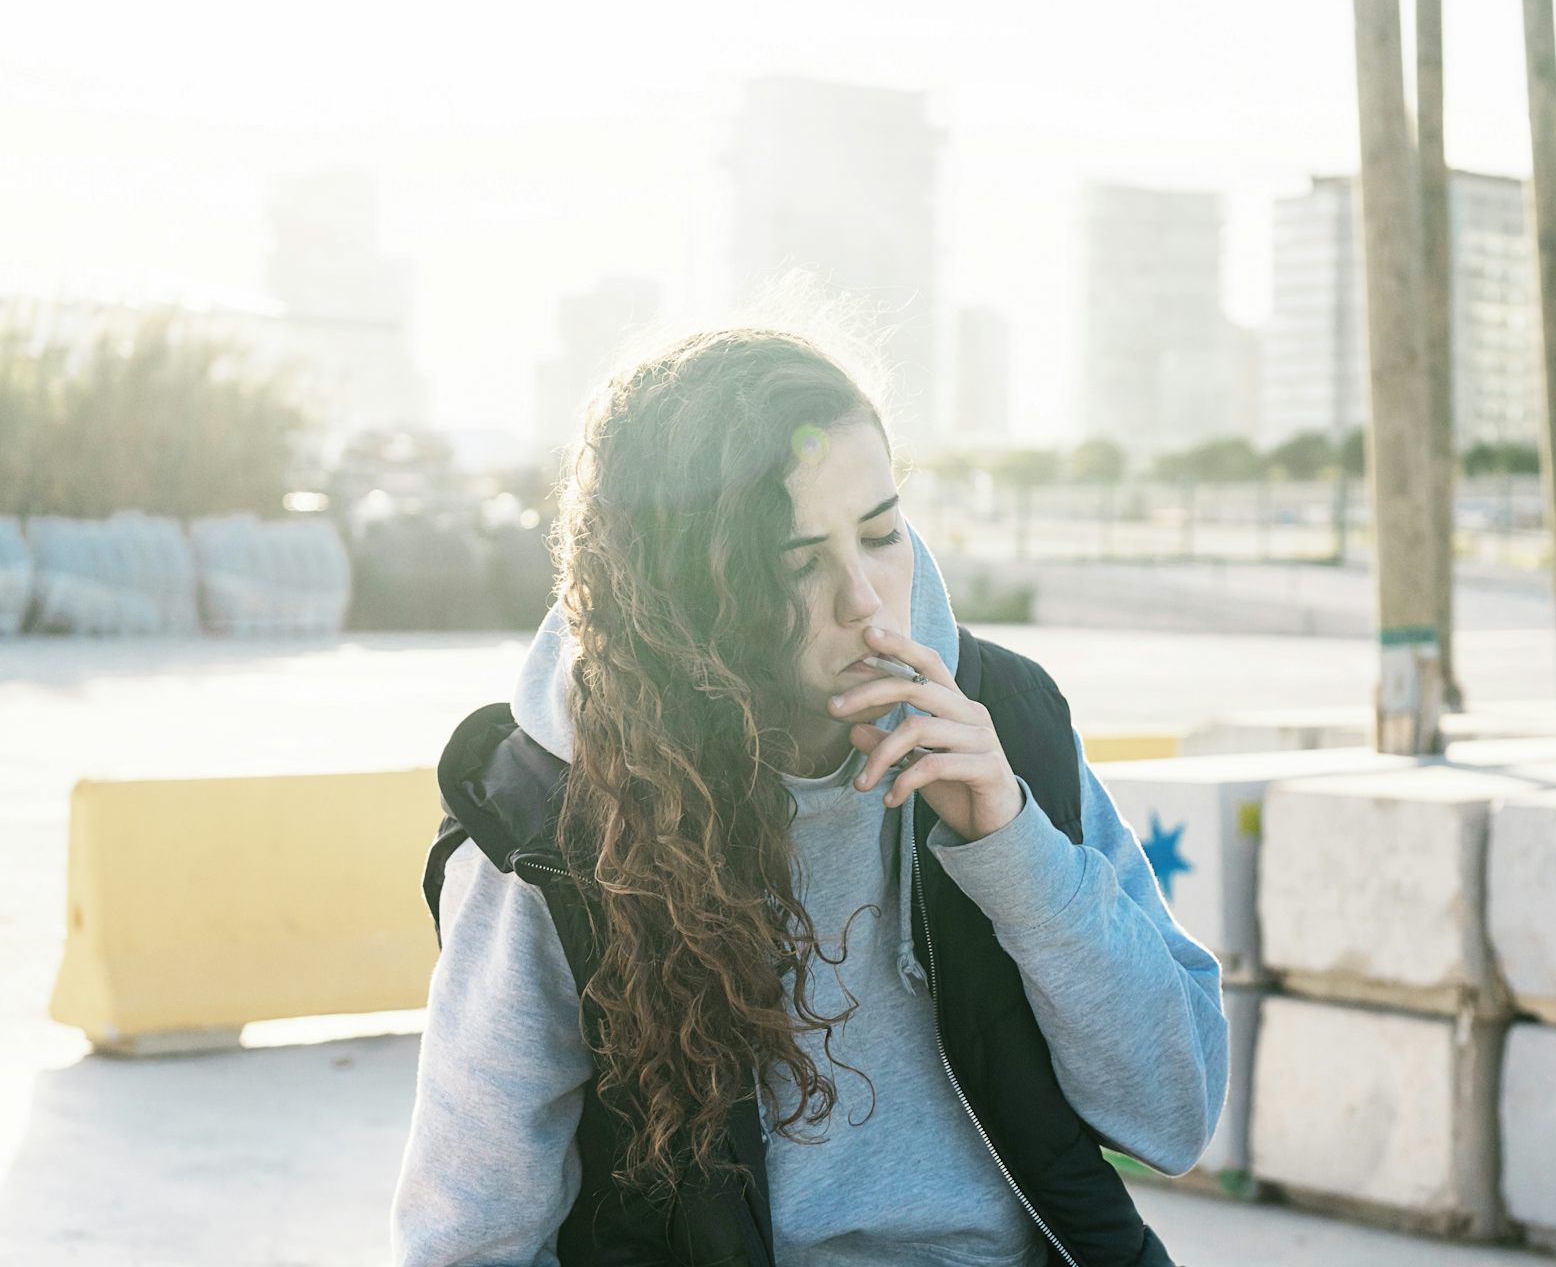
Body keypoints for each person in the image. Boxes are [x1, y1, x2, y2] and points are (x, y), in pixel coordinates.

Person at [389, 327, 1229, 1266]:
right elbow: (469, 1235)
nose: (868, 603)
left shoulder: (1006, 722)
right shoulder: (550, 820)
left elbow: (1177, 1115)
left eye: (881, 534)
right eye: (797, 565)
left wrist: (1016, 848)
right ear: (684, 601)